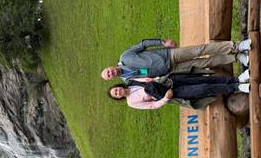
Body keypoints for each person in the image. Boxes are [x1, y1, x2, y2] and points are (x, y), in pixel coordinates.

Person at [101, 39, 251, 81]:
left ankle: (237, 46)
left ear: (109, 67)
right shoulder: (128, 80)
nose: (111, 73)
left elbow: (143, 44)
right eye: (109, 75)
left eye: (108, 71)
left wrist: (162, 43)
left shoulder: (125, 57)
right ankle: (237, 57)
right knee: (205, 63)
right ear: (111, 78)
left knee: (201, 50)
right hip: (170, 70)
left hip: (169, 55)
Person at [107, 71, 250, 110]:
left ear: (118, 86)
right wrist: (166, 99)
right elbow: (151, 105)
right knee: (203, 89)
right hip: (171, 94)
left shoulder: (131, 81)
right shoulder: (131, 102)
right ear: (118, 98)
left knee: (202, 79)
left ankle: (236, 80)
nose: (118, 91)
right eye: (117, 94)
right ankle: (236, 87)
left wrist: (159, 77)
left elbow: (148, 77)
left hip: (170, 81)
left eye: (117, 89)